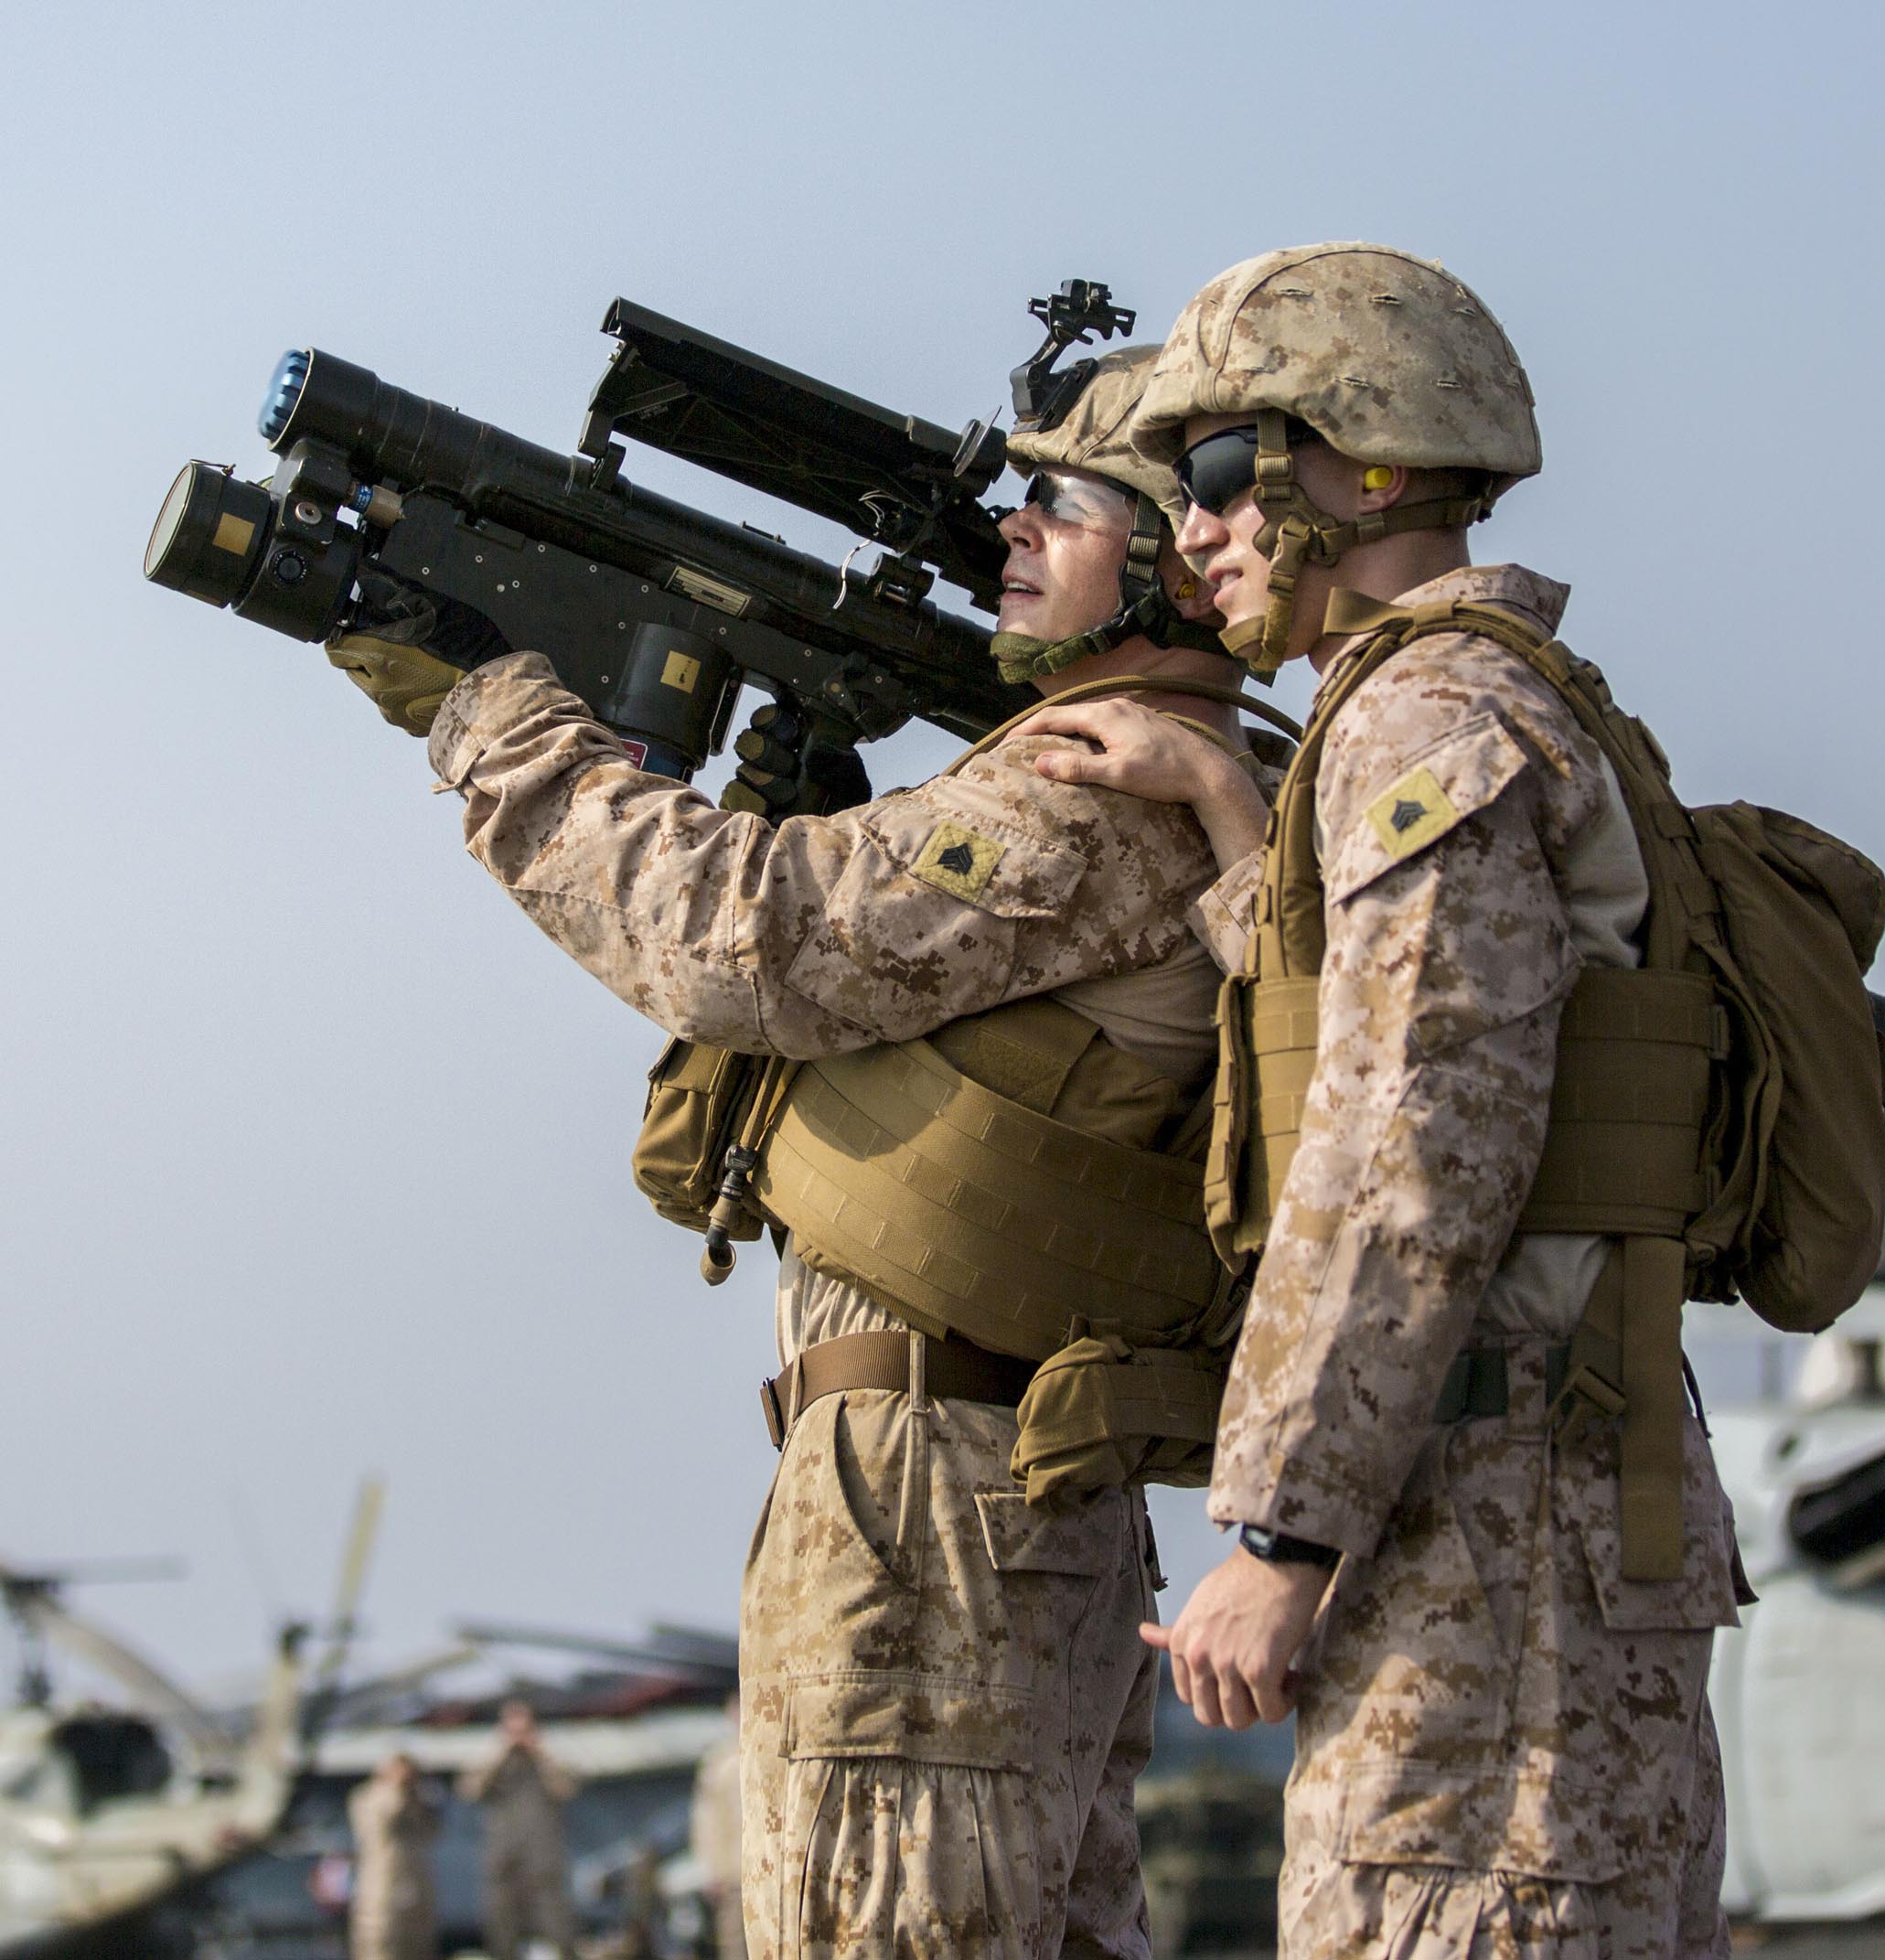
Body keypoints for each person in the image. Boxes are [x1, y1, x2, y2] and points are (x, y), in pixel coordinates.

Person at [322, 344, 1261, 1959]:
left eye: (1065, 504)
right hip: (978, 1485)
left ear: (1175, 559)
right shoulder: (1132, 787)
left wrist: (490, 708)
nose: (1014, 534)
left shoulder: (1096, 794)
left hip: (936, 1498)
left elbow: (743, 938)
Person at [1028, 244, 1740, 1958]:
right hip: (1513, 1520)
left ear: (1358, 466)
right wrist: (1217, 800)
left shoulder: (1424, 716)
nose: (1191, 527)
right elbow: (1357, 1030)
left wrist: (1281, 1524)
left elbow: (1413, 1137)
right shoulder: (1462, 708)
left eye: (1216, 472)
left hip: (1494, 1545)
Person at [459, 1702, 580, 1959]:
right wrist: (500, 1753)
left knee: (555, 1920)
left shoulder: (546, 1757)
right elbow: (470, 1791)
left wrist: (540, 1751)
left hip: (543, 1857)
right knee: (502, 1925)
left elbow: (567, 1789)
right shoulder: (493, 1758)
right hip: (504, 1857)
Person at [345, 1751, 440, 1960]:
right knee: (379, 1947)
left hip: (415, 1886)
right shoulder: (368, 1797)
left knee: (418, 1946)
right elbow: (383, 1819)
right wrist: (395, 1787)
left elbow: (432, 1830)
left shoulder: (417, 1798)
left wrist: (412, 1793)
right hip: (381, 1891)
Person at [690, 1697, 745, 1960]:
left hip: (775, 1874)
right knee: (734, 1947)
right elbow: (707, 1821)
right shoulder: (720, 1760)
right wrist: (711, 1869)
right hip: (733, 1874)